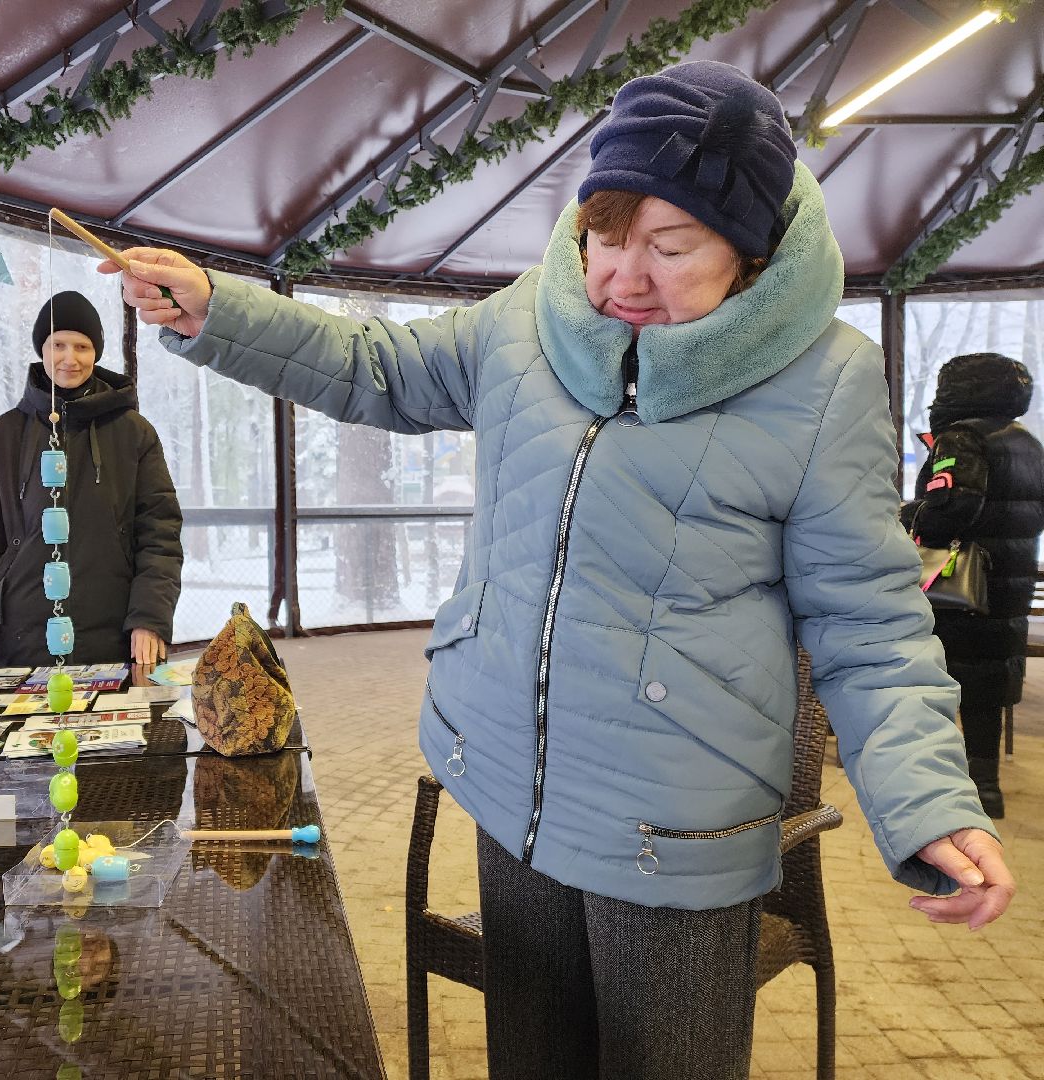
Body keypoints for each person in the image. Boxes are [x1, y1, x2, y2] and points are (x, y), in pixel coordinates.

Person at [105, 61, 1016, 1079]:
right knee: (528, 1058)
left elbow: (870, 619)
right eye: (606, 234)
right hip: (509, 781)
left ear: (752, 255)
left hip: (669, 823)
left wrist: (930, 799)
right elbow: (379, 367)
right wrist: (214, 312)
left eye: (672, 247)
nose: (624, 276)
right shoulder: (532, 314)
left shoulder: (825, 381)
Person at [0, 291, 182, 672]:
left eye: (82, 346)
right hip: (23, 633)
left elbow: (160, 535)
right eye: (59, 345)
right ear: (42, 349)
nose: (71, 358)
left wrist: (149, 619)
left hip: (116, 631)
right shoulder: (2, 436)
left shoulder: (134, 433)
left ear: (96, 353)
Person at [904, 352, 1044, 819]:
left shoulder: (961, 438)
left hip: (960, 586)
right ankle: (985, 784)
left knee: (942, 676)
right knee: (986, 683)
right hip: (1009, 581)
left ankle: (939, 788)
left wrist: (910, 517)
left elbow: (950, 508)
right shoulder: (1026, 441)